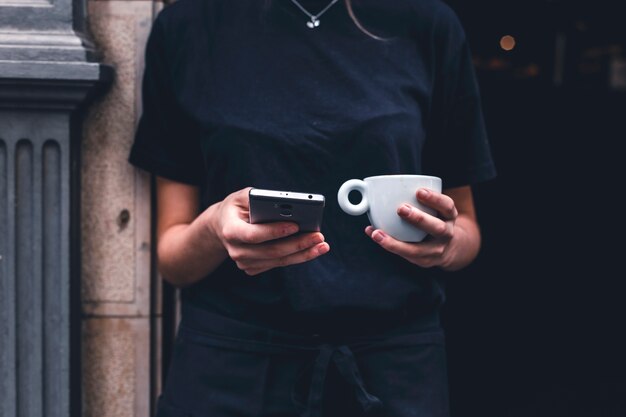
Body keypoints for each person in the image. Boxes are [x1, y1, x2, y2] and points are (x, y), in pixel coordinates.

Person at [129, 0, 496, 416]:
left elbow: (467, 229)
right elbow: (173, 259)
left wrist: (448, 245)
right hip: (233, 369)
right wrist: (214, 228)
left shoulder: (427, 22)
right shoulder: (189, 25)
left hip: (391, 373)